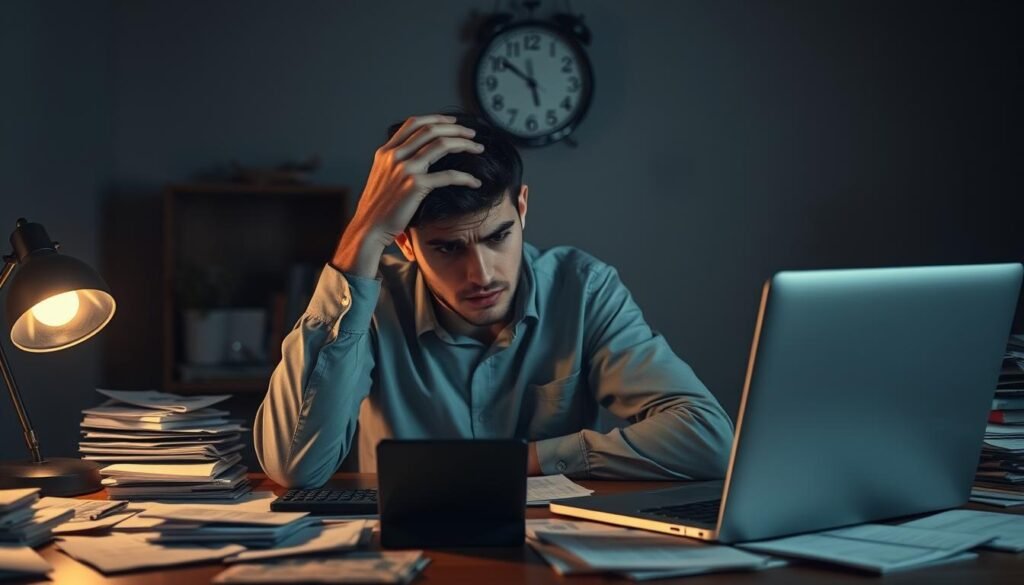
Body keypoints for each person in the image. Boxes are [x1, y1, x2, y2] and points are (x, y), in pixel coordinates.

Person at [255, 113, 734, 488]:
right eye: (447, 248)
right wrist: (363, 234)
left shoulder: (583, 288)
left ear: (521, 208)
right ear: (404, 242)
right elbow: (295, 466)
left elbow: (707, 440)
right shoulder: (370, 303)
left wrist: (523, 461)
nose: (481, 274)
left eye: (499, 235)